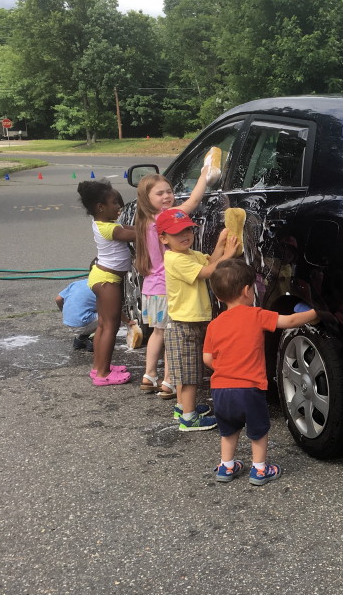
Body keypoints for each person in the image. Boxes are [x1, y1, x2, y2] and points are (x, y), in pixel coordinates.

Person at [203, 258, 319, 484]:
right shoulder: (256, 315)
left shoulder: (214, 325)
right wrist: (317, 312)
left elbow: (208, 358)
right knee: (258, 431)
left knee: (228, 431)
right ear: (248, 291)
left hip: (220, 389)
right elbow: (291, 320)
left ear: (218, 296)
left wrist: (227, 368)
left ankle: (226, 467)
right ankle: (259, 469)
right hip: (249, 388)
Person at [133, 165, 214, 397]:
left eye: (169, 191)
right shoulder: (163, 220)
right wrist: (203, 176)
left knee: (158, 334)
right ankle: (169, 381)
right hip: (167, 290)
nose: (167, 196)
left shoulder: (145, 221)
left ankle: (149, 375)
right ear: (146, 198)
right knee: (173, 336)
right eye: (160, 193)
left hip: (151, 289)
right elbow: (193, 202)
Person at [156, 207, 239, 431]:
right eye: (177, 233)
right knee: (190, 374)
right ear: (163, 238)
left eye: (188, 230)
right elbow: (207, 272)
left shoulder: (189, 255)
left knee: (184, 370)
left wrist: (221, 244)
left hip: (189, 322)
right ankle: (189, 419)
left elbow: (209, 261)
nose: (185, 236)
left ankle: (182, 407)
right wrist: (229, 255)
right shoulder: (174, 259)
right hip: (184, 324)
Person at [77, 181, 136, 385]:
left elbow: (129, 227)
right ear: (101, 207)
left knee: (102, 325)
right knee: (110, 327)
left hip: (101, 276)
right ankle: (103, 374)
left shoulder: (105, 224)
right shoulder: (109, 229)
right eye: (114, 203)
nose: (118, 206)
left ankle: (98, 367)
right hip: (107, 281)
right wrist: (155, 227)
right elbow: (133, 234)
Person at [55, 278, 97, 351]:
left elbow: (58, 299)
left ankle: (81, 339)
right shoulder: (100, 287)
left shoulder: (77, 283)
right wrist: (124, 320)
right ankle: (93, 340)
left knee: (86, 311)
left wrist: (64, 312)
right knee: (112, 318)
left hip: (68, 321)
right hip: (82, 323)